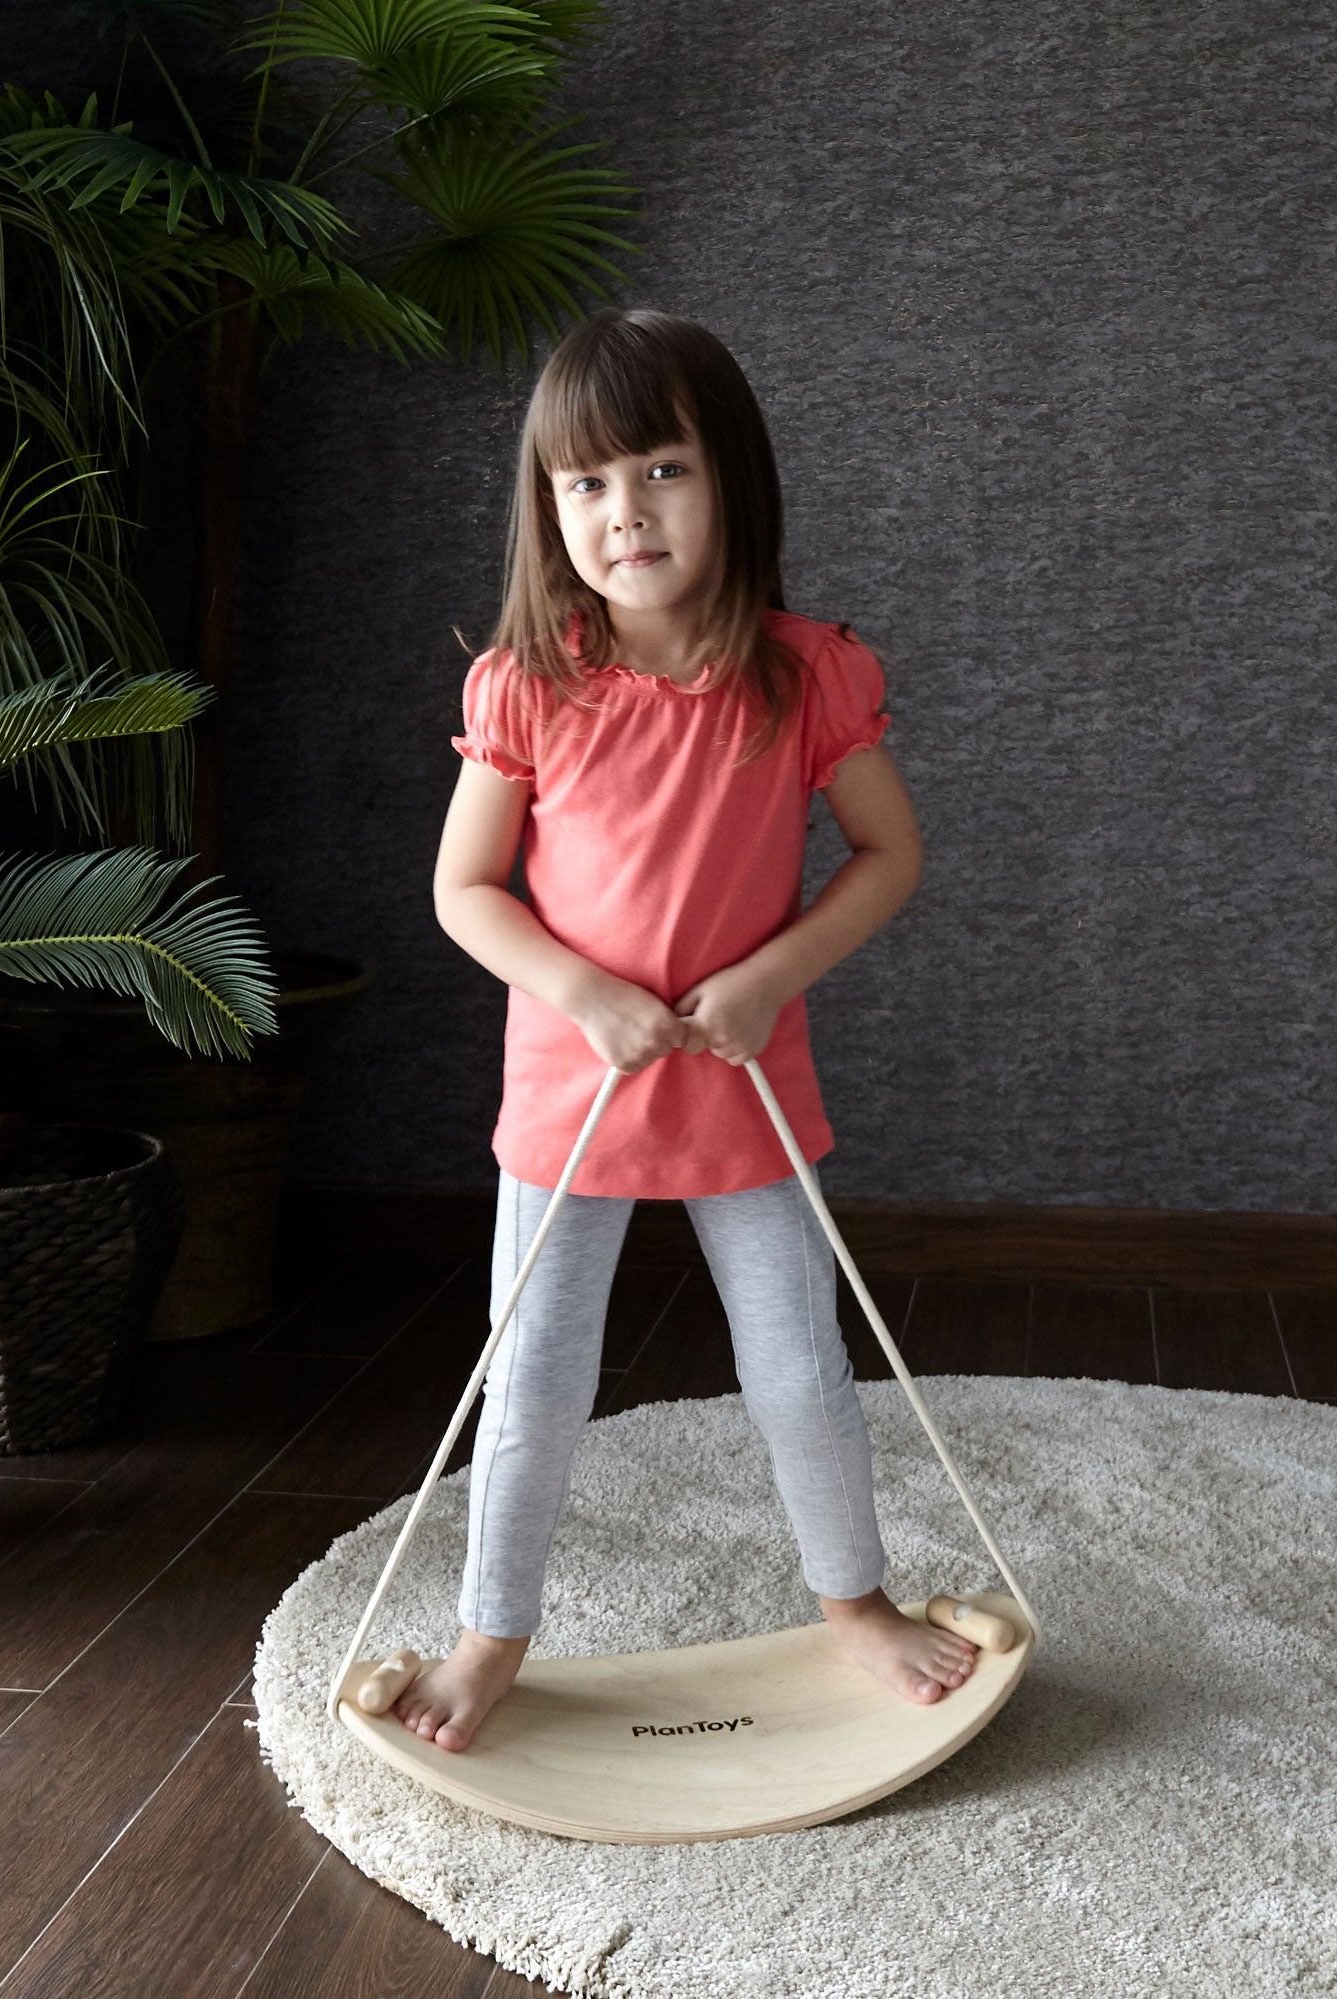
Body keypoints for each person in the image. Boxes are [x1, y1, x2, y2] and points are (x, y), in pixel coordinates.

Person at [398, 307, 978, 1753]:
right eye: (584, 485)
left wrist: (775, 973)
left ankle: (853, 1602)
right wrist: (583, 993)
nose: (623, 512)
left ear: (732, 483)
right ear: (548, 511)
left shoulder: (804, 672)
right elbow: (464, 890)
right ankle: (492, 1635)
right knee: (531, 1376)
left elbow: (887, 857)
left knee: (795, 1361)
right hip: (571, 1093)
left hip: (740, 1085)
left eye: (659, 470)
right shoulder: (527, 685)